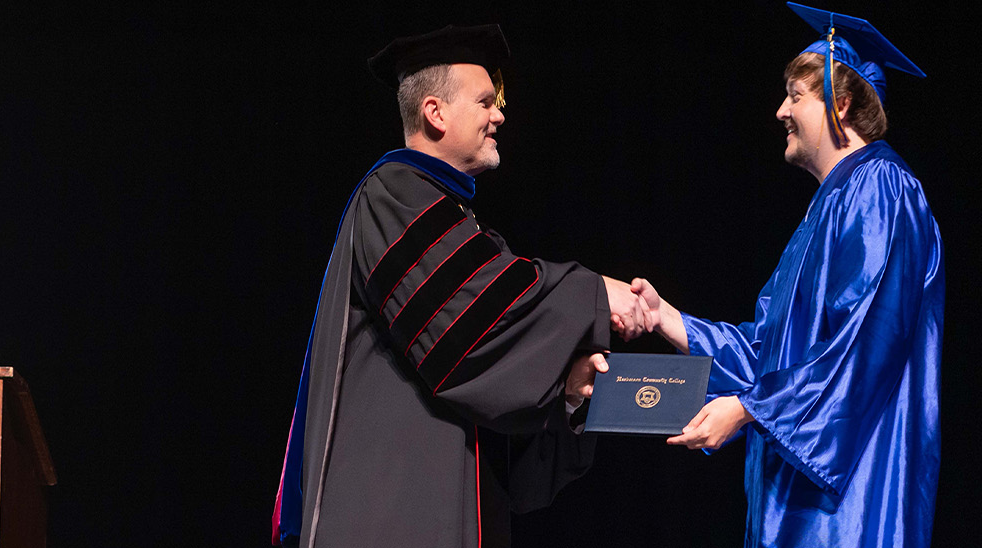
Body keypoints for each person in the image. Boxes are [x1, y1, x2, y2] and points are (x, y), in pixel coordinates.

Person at [272, 24, 650, 548]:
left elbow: (487, 365)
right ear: (436, 112)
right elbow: (467, 327)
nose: (500, 115)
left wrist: (563, 391)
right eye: (484, 101)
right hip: (389, 515)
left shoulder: (457, 225)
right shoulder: (393, 193)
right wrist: (593, 292)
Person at [626, 4, 945, 547]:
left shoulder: (881, 190)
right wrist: (665, 317)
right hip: (796, 496)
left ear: (841, 104)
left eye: (796, 95)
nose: (779, 111)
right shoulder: (827, 209)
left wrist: (751, 407)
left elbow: (864, 344)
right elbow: (769, 353)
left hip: (847, 504)